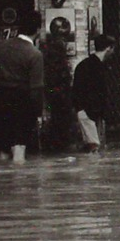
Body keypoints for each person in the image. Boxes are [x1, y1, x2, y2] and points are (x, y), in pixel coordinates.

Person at [0, 8, 46, 163]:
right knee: (19, 151)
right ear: (38, 30)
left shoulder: (2, 47)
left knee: (4, 149)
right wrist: (38, 113)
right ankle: (19, 184)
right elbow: (36, 88)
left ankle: (5, 184)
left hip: (0, 101)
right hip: (22, 103)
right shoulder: (34, 54)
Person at [72, 34, 116, 152]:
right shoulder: (98, 68)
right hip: (89, 113)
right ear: (109, 48)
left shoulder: (84, 65)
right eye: (112, 49)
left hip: (89, 113)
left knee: (94, 148)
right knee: (94, 148)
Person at [41, 15, 76, 151]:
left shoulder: (49, 48)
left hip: (55, 91)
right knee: (61, 121)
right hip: (58, 92)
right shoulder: (56, 50)